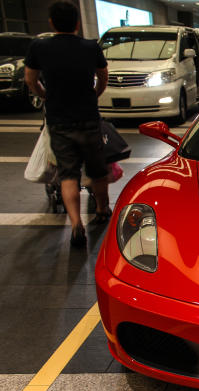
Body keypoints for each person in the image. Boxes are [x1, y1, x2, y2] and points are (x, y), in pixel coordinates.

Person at [24, 0, 110, 247]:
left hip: (59, 121)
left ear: (51, 22)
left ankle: (75, 224)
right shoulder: (89, 46)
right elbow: (103, 77)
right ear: (77, 22)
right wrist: (94, 93)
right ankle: (102, 210)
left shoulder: (40, 47)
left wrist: (45, 95)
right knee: (97, 171)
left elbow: (31, 79)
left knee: (68, 175)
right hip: (88, 118)